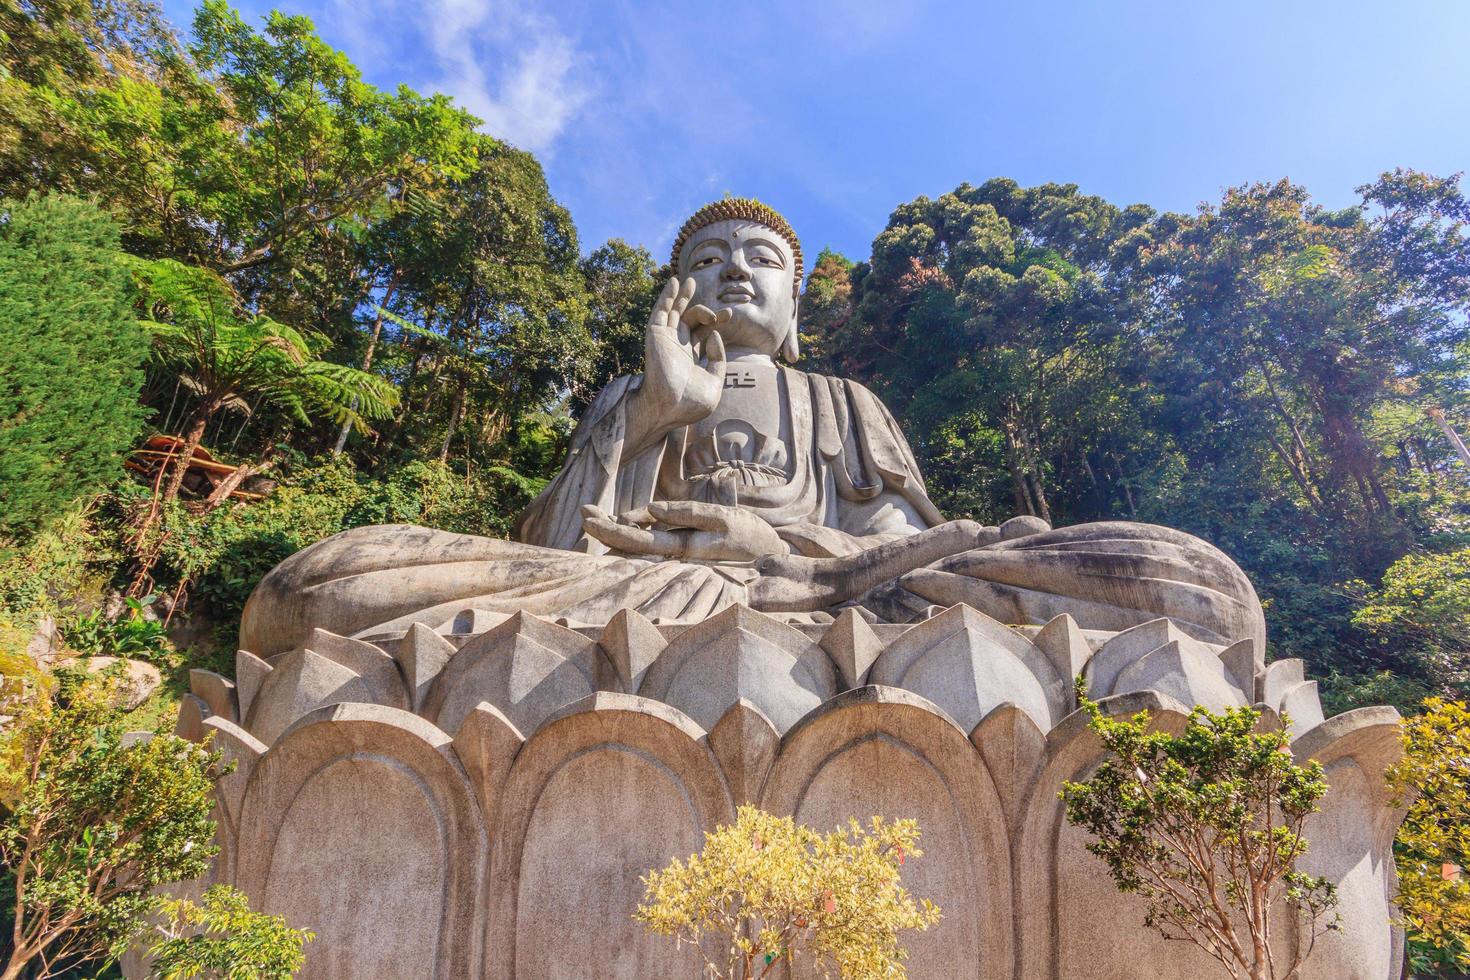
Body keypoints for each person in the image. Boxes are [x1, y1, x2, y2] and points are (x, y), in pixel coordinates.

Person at [241, 200, 1264, 662]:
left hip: (833, 595)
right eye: (713, 254)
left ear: (795, 301)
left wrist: (790, 554)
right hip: (625, 593)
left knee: (1195, 585)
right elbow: (554, 556)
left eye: (761, 257)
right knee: (312, 593)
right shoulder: (630, 393)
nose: (737, 267)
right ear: (678, 287)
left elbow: (914, 547)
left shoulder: (846, 401)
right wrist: (653, 412)